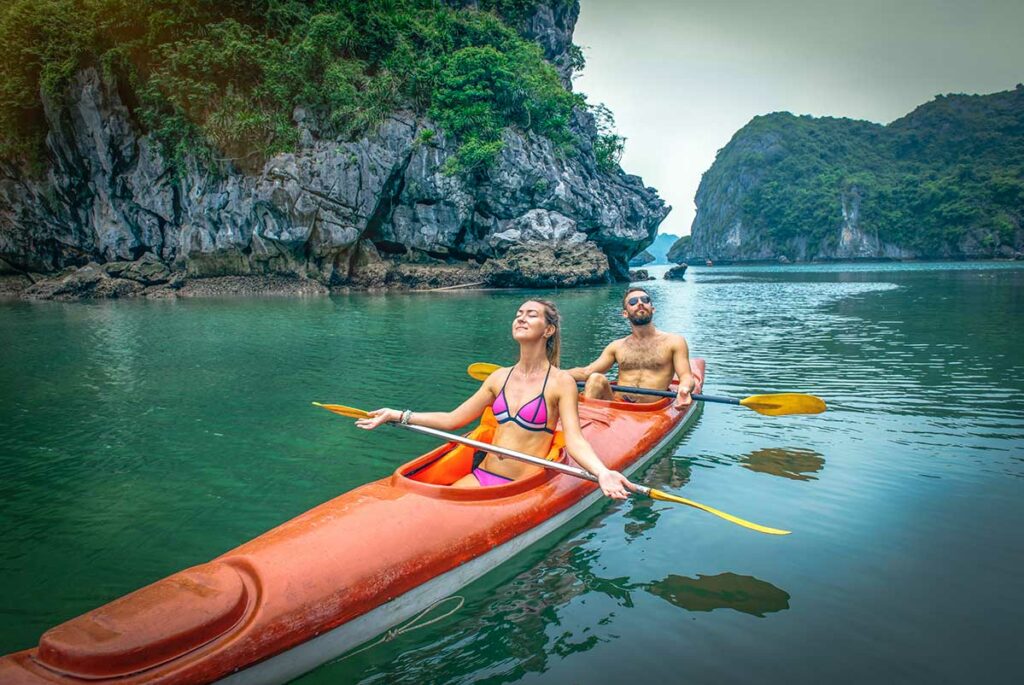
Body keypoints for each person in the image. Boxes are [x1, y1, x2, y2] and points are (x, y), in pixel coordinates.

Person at [355, 299, 634, 499]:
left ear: (548, 330)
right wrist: (397, 415)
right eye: (518, 313)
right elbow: (454, 419)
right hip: (482, 476)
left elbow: (574, 440)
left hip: (523, 486)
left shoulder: (561, 382)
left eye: (532, 315)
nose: (521, 318)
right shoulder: (498, 378)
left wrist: (602, 472)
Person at [567, 287, 695, 408]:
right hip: (618, 404)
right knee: (596, 378)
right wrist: (551, 374)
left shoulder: (674, 342)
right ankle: (586, 423)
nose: (640, 303)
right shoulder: (616, 346)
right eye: (633, 302)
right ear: (625, 313)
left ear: (653, 308)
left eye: (645, 300)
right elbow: (586, 372)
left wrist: (684, 389)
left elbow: (686, 377)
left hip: (651, 408)